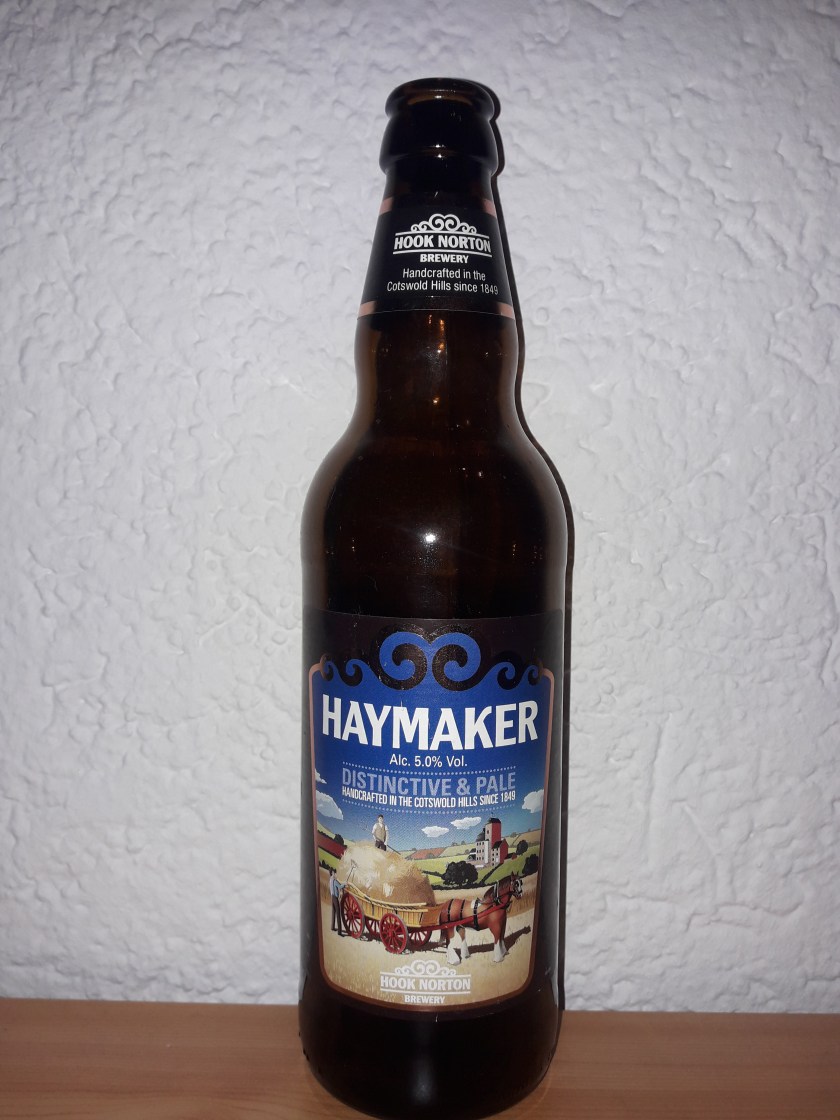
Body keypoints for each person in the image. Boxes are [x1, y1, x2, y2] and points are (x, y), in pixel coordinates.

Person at [329, 868, 346, 935]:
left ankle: (332, 927)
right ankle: (339, 932)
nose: (335, 874)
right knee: (338, 914)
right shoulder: (334, 881)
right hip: (335, 898)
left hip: (332, 897)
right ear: (332, 873)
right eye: (334, 873)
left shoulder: (330, 880)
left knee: (333, 912)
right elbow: (339, 886)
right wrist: (344, 885)